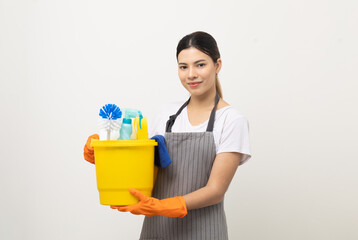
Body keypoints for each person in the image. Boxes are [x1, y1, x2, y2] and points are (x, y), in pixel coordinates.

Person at [84, 31, 251, 239]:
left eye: (200, 65)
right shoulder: (166, 115)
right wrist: (104, 153)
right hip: (158, 230)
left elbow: (216, 190)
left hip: (204, 231)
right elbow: (143, 167)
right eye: (183, 67)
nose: (191, 74)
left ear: (217, 65)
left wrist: (165, 206)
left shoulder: (232, 120)